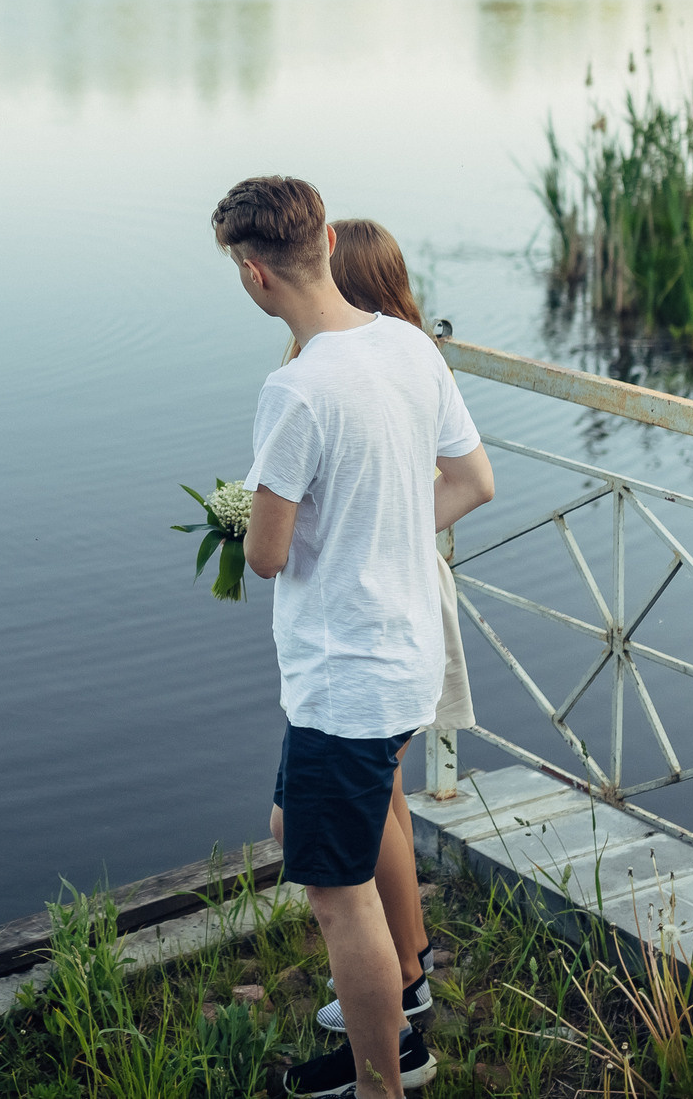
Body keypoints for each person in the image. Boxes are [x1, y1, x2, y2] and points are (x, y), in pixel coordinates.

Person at [212, 178, 496, 1099]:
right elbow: (467, 473)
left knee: (338, 895)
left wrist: (251, 513)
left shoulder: (293, 392)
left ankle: (386, 1075)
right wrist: (385, 530)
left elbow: (266, 554)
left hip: (347, 679)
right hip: (403, 655)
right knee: (302, 823)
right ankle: (391, 1026)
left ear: (254, 274)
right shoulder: (409, 346)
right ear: (327, 239)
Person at [288, 219, 476, 1041]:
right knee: (386, 790)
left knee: (373, 804)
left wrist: (375, 538)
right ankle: (410, 963)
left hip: (371, 621)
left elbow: (282, 540)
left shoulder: (339, 368)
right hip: (403, 610)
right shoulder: (409, 355)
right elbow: (472, 479)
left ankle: (404, 974)